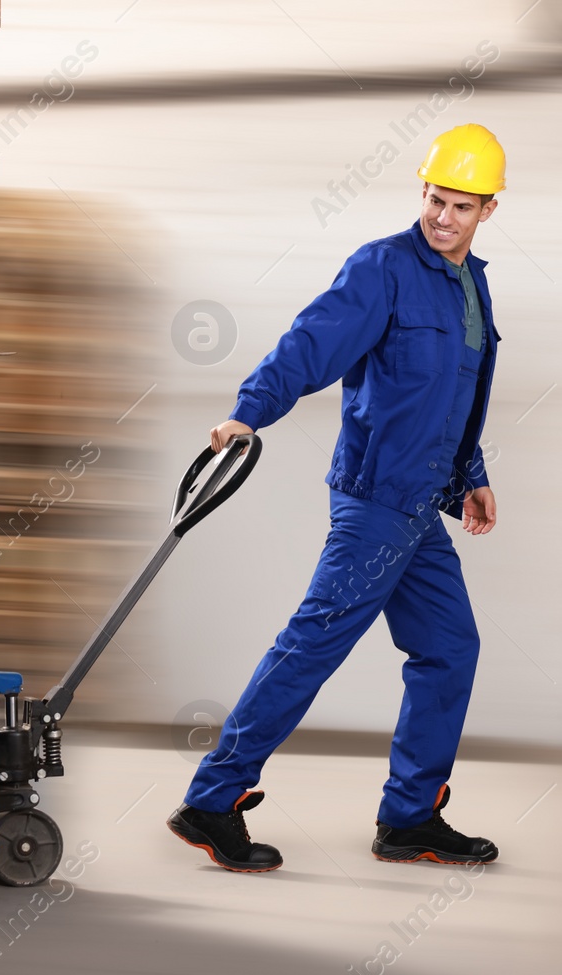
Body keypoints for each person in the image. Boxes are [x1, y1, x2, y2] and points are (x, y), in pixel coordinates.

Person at [167, 124, 508, 873]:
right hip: (375, 501)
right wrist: (249, 410)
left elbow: (454, 393)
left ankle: (411, 816)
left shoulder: (472, 284)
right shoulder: (383, 268)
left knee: (451, 648)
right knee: (312, 646)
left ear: (489, 209)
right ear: (421, 190)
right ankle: (213, 797)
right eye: (434, 198)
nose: (442, 217)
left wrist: (470, 473)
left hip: (421, 508)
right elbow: (310, 344)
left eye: (461, 205)